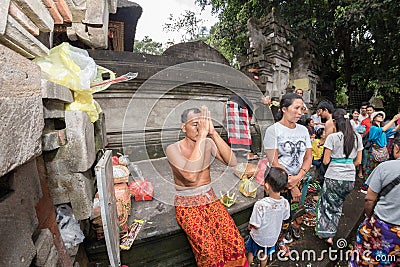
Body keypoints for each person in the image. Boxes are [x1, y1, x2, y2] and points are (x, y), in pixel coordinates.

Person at [166, 107, 248, 266]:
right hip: (187, 205)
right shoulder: (173, 149)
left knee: (236, 243)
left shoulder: (208, 143)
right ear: (183, 127)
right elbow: (190, 176)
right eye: (195, 124)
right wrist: (203, 134)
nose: (199, 128)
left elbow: (233, 162)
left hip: (210, 199)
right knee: (208, 251)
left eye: (202, 124)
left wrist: (213, 133)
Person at [263, 93, 312, 249]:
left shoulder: (304, 130)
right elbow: (274, 161)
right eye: (296, 108)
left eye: (302, 109)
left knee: (292, 211)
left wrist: (299, 177)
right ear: (284, 109)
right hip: (279, 182)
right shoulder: (273, 130)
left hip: (298, 178)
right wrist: (292, 184)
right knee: (277, 215)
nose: (300, 112)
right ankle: (275, 241)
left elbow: (308, 157)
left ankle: (288, 232)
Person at [349, 135, 400, 267]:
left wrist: (369, 215)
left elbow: (369, 199)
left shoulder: (385, 168)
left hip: (382, 227)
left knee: (367, 258)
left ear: (397, 148)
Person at [316, 109, 363, 245]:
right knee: (337, 205)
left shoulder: (332, 137)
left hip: (333, 176)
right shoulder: (357, 137)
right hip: (349, 178)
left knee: (326, 205)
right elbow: (358, 162)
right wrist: (347, 165)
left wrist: (336, 163)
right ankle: (331, 233)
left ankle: (326, 234)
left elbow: (325, 161)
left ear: (336, 122)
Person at [246, 167, 290, 267]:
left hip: (257, 237)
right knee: (264, 255)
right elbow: (285, 218)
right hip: (271, 239)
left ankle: (248, 265)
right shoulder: (285, 203)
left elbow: (255, 225)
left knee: (251, 252)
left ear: (266, 186)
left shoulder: (260, 205)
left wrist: (250, 226)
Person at [363, 112, 400, 192]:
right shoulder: (373, 128)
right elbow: (383, 129)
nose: (380, 116)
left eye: (381, 115)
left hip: (382, 152)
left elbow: (394, 130)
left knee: (379, 170)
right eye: (378, 115)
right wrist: (394, 119)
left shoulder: (383, 129)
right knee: (370, 169)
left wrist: (398, 121)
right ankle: (366, 187)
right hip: (374, 152)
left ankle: (375, 187)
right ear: (374, 118)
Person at [224, 94, 256, 160]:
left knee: (233, 130)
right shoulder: (250, 106)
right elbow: (248, 120)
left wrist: (224, 119)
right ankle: (247, 153)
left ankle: (234, 152)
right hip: (238, 106)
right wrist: (248, 122)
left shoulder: (233, 99)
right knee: (244, 131)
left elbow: (225, 105)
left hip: (230, 105)